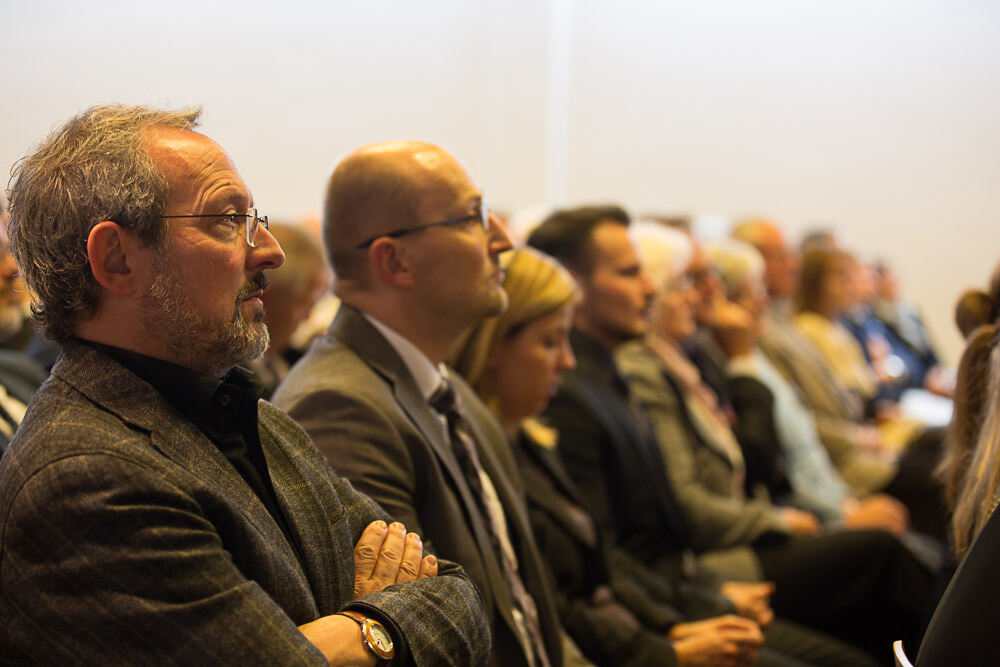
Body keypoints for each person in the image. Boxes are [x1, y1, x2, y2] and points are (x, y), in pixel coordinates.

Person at [0, 105, 488, 664]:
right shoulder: (87, 478)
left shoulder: (253, 417)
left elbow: (458, 593)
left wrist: (350, 634)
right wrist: (379, 627)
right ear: (117, 260)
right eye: (227, 220)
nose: (270, 251)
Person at [527, 206, 897, 664]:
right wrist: (691, 615)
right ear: (573, 285)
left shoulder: (614, 373)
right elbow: (607, 561)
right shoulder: (577, 391)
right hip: (664, 608)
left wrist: (706, 597)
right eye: (631, 274)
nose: (652, 289)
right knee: (880, 566)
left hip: (681, 588)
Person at [272, 141, 566, 667]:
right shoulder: (339, 405)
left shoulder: (448, 388)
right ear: (395, 260)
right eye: (474, 217)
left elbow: (522, 607)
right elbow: (425, 632)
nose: (501, 240)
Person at [247, 221, 331, 397]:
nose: (308, 317)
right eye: (303, 303)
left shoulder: (299, 364)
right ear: (264, 297)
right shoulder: (230, 382)